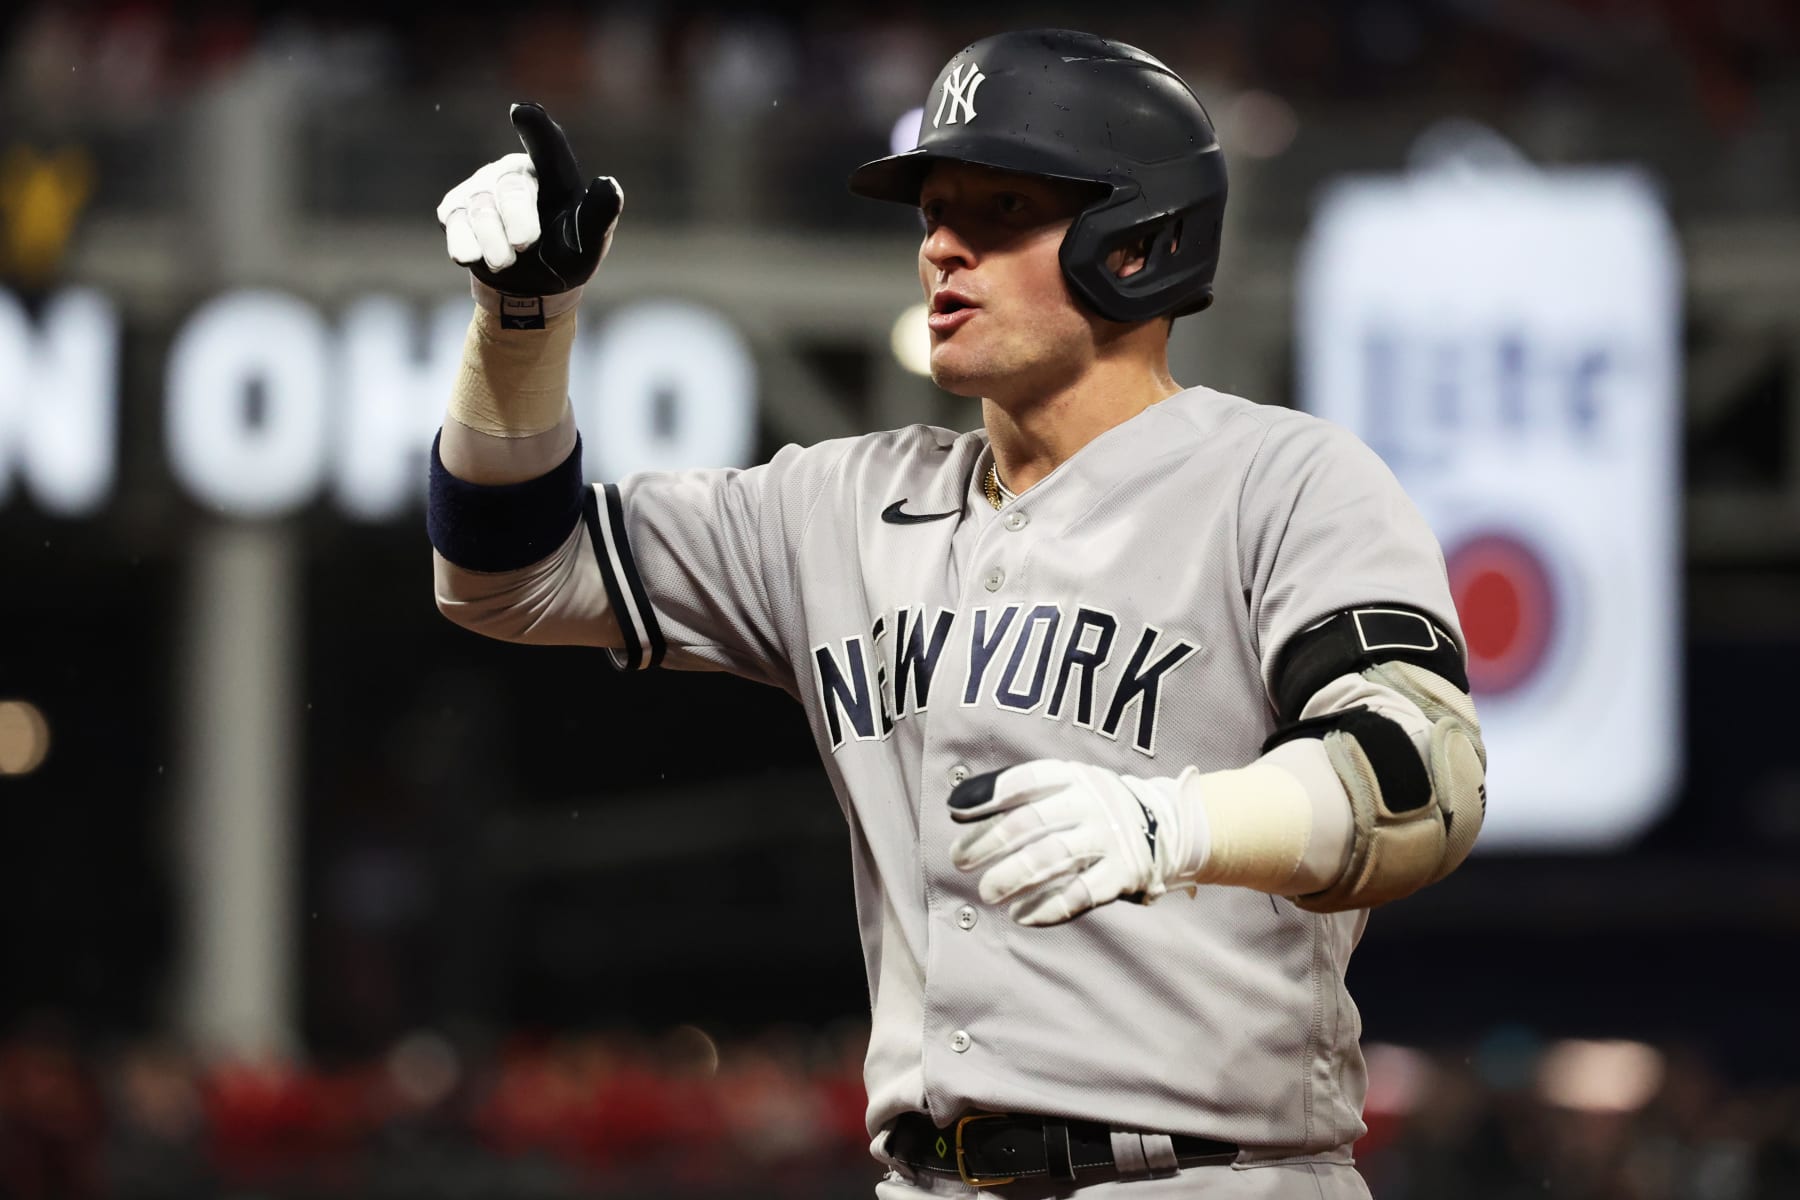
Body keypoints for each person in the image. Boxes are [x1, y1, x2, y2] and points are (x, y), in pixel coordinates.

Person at [428, 28, 1487, 1199]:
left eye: (1000, 208)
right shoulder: (838, 506)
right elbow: (510, 572)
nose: (940, 245)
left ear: (1137, 239)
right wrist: (521, 330)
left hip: (1217, 1174)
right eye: (933, 210)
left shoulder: (1283, 481)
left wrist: (1174, 828)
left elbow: (1422, 779)